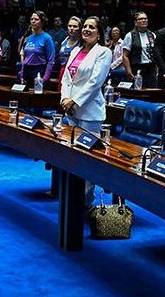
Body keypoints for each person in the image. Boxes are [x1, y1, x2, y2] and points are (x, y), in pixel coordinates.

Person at [60, 16, 112, 206]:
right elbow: (66, 78)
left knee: (88, 158)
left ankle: (85, 202)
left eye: (92, 27)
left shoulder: (103, 52)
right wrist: (65, 99)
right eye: (85, 27)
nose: (87, 30)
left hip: (89, 111)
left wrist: (75, 101)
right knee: (72, 156)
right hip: (71, 110)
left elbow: (95, 82)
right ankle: (73, 197)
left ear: (99, 34)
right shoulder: (75, 50)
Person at [20, 11, 55, 89]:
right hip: (27, 70)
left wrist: (45, 78)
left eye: (36, 19)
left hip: (39, 71)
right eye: (31, 19)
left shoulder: (47, 38)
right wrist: (22, 74)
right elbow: (25, 58)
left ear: (42, 22)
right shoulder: (28, 38)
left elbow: (51, 61)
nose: (33, 21)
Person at [122, 11, 157, 88]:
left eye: (145, 18)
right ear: (135, 22)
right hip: (136, 68)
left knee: (151, 91)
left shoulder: (152, 35)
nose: (144, 20)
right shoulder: (130, 35)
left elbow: (157, 54)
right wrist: (128, 70)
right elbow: (125, 55)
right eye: (141, 19)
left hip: (150, 68)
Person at [56, 16, 82, 88]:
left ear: (80, 29)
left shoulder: (82, 43)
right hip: (62, 70)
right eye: (70, 26)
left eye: (75, 26)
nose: (72, 28)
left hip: (74, 73)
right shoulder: (64, 41)